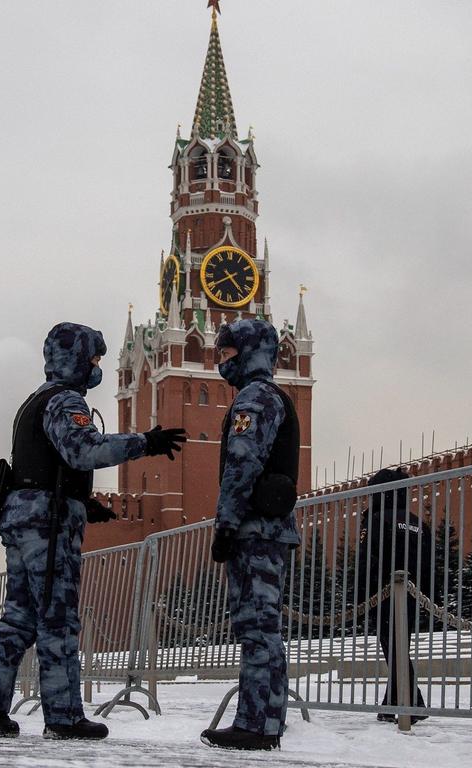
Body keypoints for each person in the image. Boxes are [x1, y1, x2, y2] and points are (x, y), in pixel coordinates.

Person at [0, 322, 186, 740]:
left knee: (18, 617)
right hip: (46, 525)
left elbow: (44, 464)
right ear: (75, 358)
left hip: (22, 516)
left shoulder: (34, 400)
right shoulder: (65, 400)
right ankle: (64, 716)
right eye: (93, 357)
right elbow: (83, 450)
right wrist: (145, 442)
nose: (96, 366)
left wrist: (84, 504)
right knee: (58, 619)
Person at [200, 318, 301, 751]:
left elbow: (241, 466)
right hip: (268, 529)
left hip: (255, 529)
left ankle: (257, 725)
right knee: (260, 627)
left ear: (248, 351)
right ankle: (262, 720)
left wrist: (225, 525)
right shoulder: (271, 394)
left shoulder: (254, 397)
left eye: (227, 353)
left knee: (258, 628)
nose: (222, 362)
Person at [360, 467, 429, 724]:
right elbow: (429, 560)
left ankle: (413, 704)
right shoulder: (417, 522)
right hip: (413, 595)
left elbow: (369, 560)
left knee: (394, 649)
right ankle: (393, 703)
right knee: (400, 648)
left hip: (384, 595)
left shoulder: (377, 520)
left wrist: (362, 598)